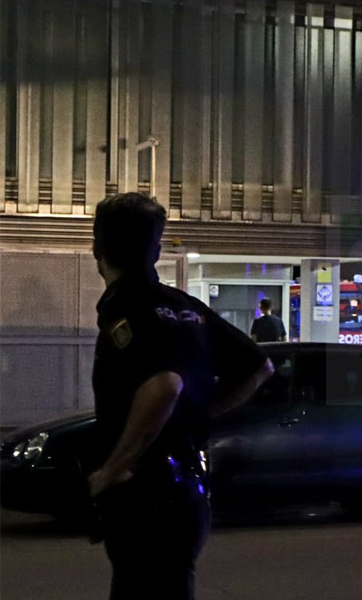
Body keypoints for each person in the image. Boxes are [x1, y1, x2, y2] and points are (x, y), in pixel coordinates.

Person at [87, 192, 274, 600]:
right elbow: (259, 367)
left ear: (97, 247)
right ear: (155, 249)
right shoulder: (187, 309)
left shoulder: (125, 308)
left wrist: (112, 469)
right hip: (187, 494)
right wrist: (200, 412)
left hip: (146, 499)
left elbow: (164, 385)